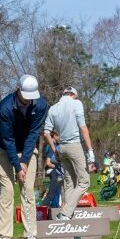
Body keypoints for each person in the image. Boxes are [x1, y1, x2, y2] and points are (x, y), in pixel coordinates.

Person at [0, 75, 48, 239]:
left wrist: (24, 161)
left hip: (28, 149)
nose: (28, 100)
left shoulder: (42, 105)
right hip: (4, 148)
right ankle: (5, 235)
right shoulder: (5, 107)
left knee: (27, 189)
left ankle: (30, 233)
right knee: (8, 190)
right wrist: (17, 167)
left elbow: (33, 134)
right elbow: (8, 140)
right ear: (18, 90)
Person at [42, 85, 93, 219]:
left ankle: (67, 215)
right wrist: (90, 149)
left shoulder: (53, 108)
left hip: (61, 148)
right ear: (74, 95)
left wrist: (55, 151)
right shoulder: (76, 103)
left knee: (70, 182)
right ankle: (66, 212)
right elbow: (83, 127)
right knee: (84, 182)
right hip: (74, 146)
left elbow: (46, 133)